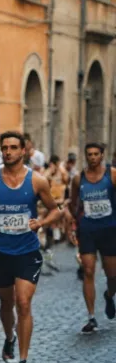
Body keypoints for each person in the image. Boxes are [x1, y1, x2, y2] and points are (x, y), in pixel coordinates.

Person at [0, 132, 62, 363]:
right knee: (6, 303)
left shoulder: (37, 181)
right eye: (4, 148)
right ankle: (9, 338)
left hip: (27, 250)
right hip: (1, 251)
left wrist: (42, 222)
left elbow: (55, 210)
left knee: (23, 303)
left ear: (23, 151)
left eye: (13, 147)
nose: (8, 152)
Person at [65, 142, 116, 334]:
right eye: (89, 154)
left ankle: (109, 295)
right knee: (88, 270)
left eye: (96, 154)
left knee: (113, 276)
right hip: (87, 229)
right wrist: (71, 220)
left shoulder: (112, 175)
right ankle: (91, 316)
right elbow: (74, 202)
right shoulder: (79, 179)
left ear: (102, 155)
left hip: (110, 230)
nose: (93, 157)